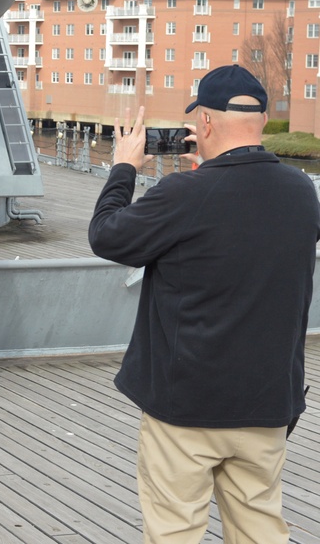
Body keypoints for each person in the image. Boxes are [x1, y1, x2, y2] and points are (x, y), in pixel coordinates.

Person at [88, 64, 320, 542]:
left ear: (206, 124)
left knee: (175, 530)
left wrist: (124, 167)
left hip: (187, 405)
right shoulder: (303, 192)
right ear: (260, 123)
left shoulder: (184, 193)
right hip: (269, 402)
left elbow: (107, 236)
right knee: (260, 530)